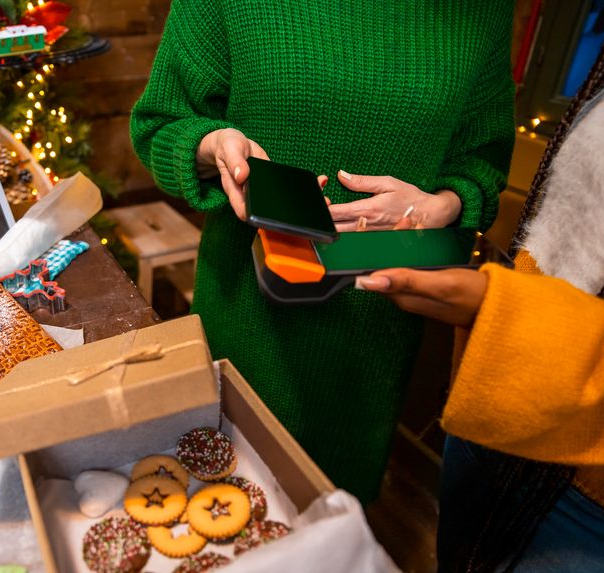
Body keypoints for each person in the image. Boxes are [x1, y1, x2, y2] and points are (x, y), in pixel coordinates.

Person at [129, 1, 516, 502]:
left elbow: (481, 163)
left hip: (372, 330)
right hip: (247, 312)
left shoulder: (482, 12)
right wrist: (212, 145)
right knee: (221, 495)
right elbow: (159, 124)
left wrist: (440, 206)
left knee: (331, 518)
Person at [357, 17, 604, 571]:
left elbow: (483, 158)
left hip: (595, 492)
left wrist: (498, 307)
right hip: (499, 397)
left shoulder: (477, 20)